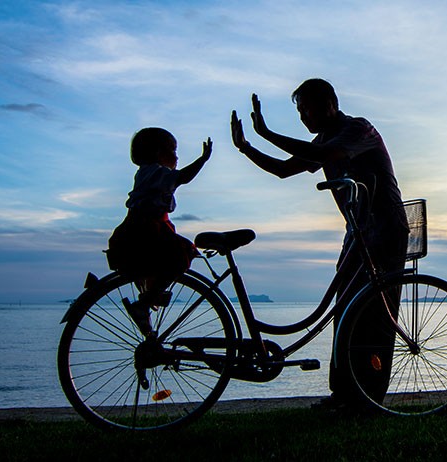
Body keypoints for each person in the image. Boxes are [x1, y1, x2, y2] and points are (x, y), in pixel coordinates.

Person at [231, 78, 408, 407]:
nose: (303, 118)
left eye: (306, 110)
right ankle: (342, 393)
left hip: (385, 229)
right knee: (344, 311)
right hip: (357, 232)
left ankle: (368, 397)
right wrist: (247, 148)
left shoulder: (358, 130)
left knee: (374, 315)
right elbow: (285, 170)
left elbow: (323, 154)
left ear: (329, 104)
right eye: (299, 112)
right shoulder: (325, 138)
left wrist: (266, 133)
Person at [107, 127, 212, 336]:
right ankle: (146, 301)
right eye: (172, 151)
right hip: (146, 229)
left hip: (144, 228)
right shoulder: (155, 172)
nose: (177, 156)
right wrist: (203, 160)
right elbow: (183, 177)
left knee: (166, 261)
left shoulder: (148, 173)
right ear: (157, 153)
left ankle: (150, 298)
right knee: (182, 255)